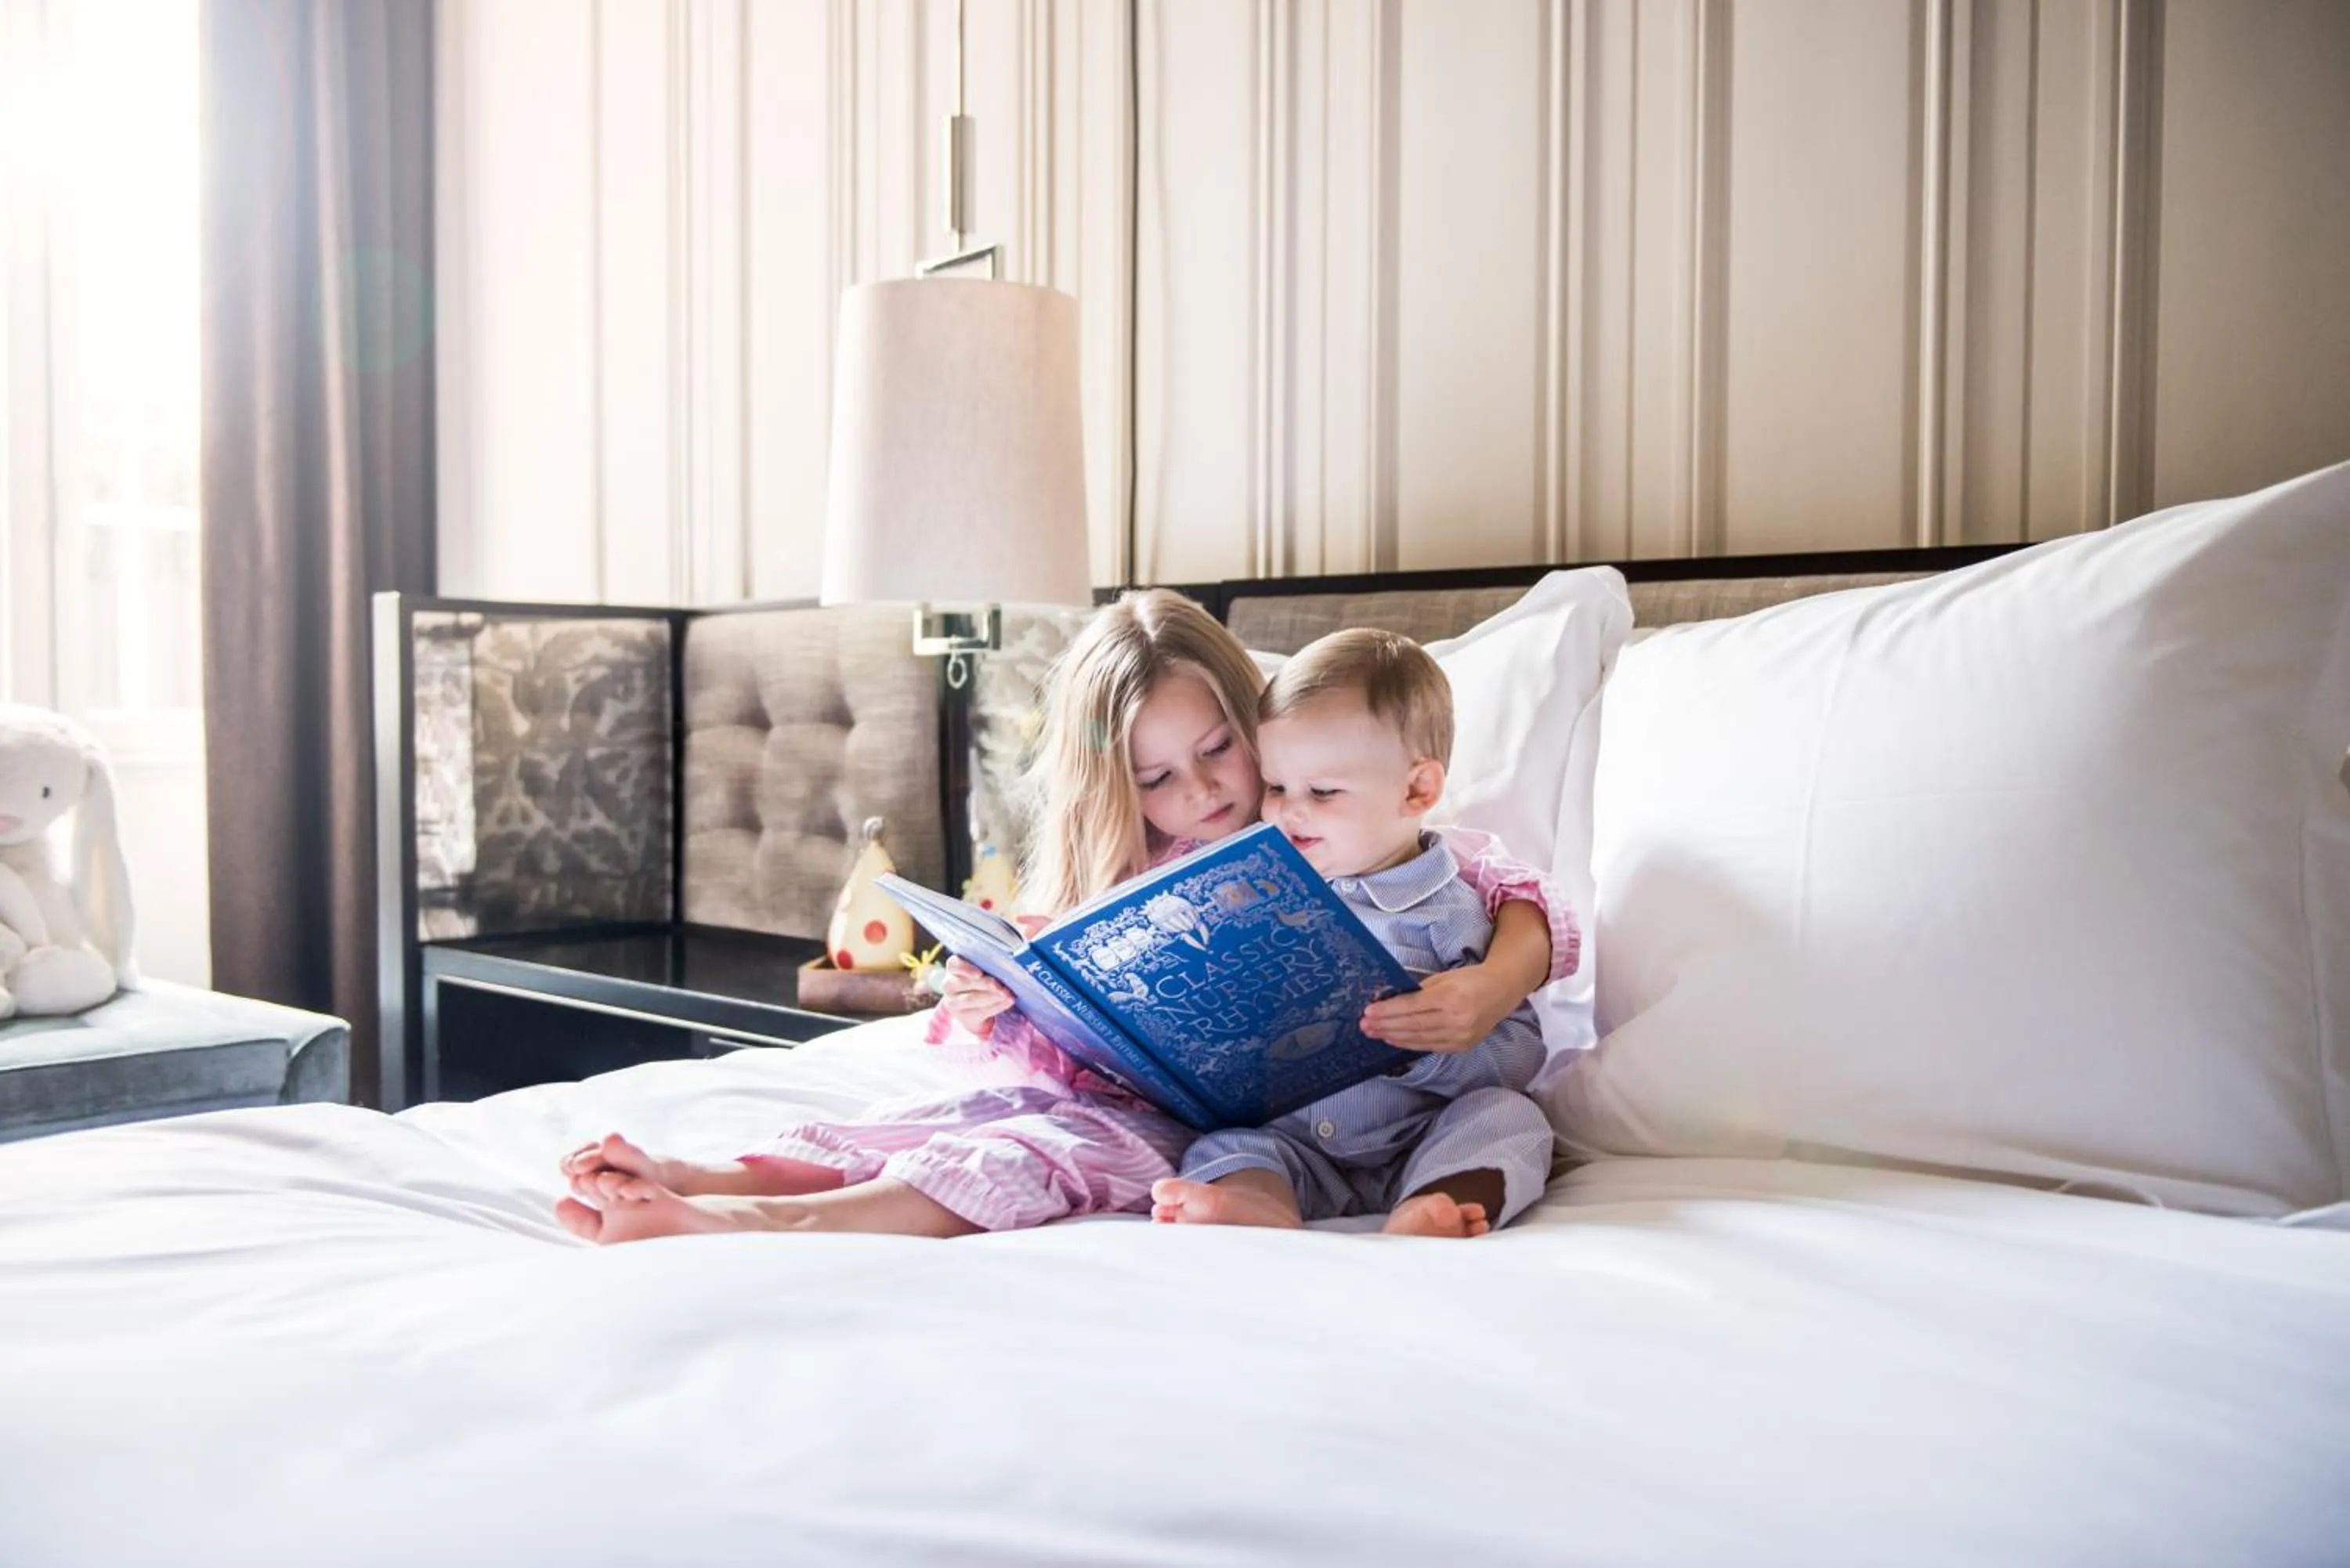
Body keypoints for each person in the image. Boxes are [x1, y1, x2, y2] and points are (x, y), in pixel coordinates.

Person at [557, 591, 1574, 1244]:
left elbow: (1517, 898)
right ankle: (710, 1177)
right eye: (1159, 778)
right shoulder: (1139, 875)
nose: (1208, 791)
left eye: (1221, 748)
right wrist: (992, 994)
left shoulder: (1364, 833)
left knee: (1041, 1154)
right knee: (977, 1118)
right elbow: (1054, 1014)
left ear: (1253, 712)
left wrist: (1491, 985)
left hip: (1368, 1111)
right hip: (1205, 1118)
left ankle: (774, 1225)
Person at [1151, 628, 1553, 1238]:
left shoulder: (1452, 909)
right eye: (1277, 786)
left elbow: (1520, 1051)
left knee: (1510, 1118)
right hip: (1295, 1147)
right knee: (1224, 1145)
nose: (1289, 810)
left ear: (1417, 790)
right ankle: (1258, 1203)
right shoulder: (1259, 891)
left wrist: (1425, 1051)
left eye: (1322, 792)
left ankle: (1435, 1202)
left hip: (1422, 1136)